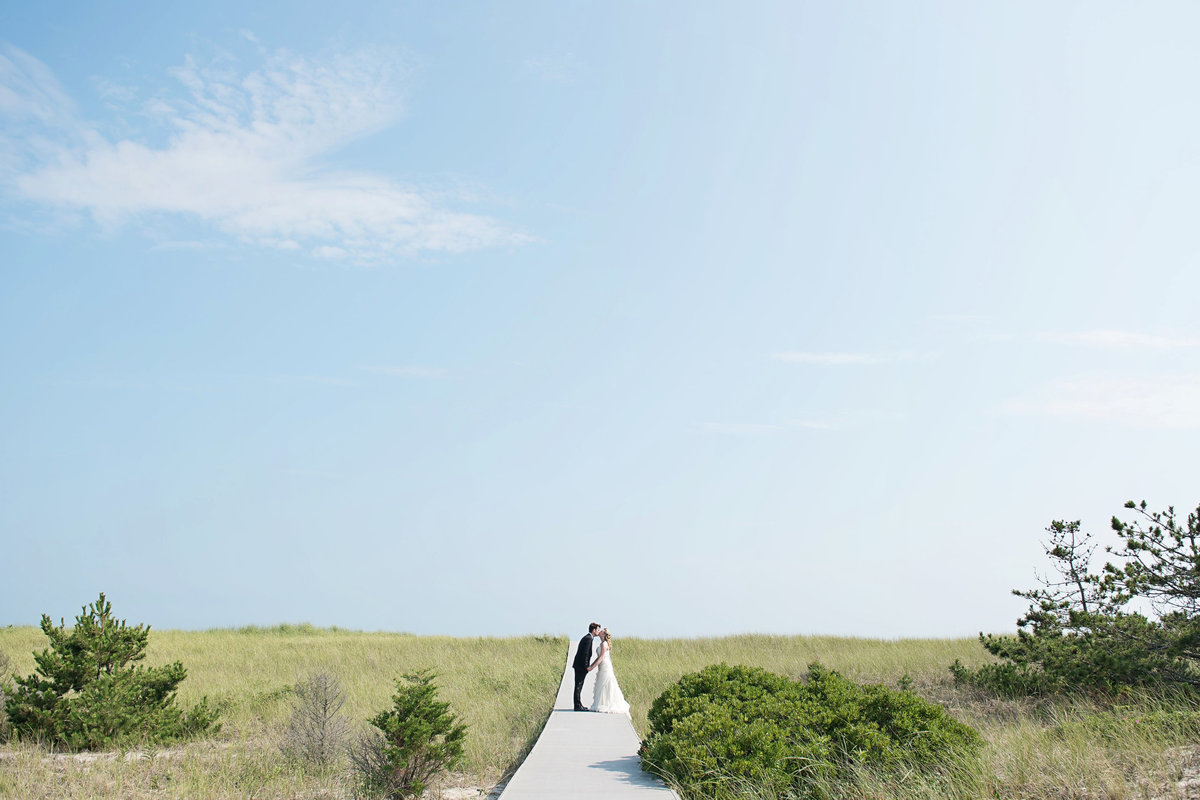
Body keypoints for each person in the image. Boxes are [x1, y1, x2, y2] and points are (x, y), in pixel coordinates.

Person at [588, 628, 630, 715]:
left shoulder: (604, 644)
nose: (600, 632)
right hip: (601, 666)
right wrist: (591, 665)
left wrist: (592, 667)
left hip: (605, 666)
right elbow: (598, 657)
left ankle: (607, 703)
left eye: (602, 631)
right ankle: (601, 702)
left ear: (604, 635)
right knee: (601, 684)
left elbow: (601, 657)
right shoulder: (602, 643)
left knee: (607, 683)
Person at [571, 622, 601, 711]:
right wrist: (587, 666)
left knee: (578, 685)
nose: (599, 632)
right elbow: (585, 654)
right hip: (581, 667)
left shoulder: (587, 638)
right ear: (594, 630)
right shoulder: (588, 639)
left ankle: (578, 704)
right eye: (598, 630)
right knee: (578, 685)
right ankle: (577, 705)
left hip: (579, 666)